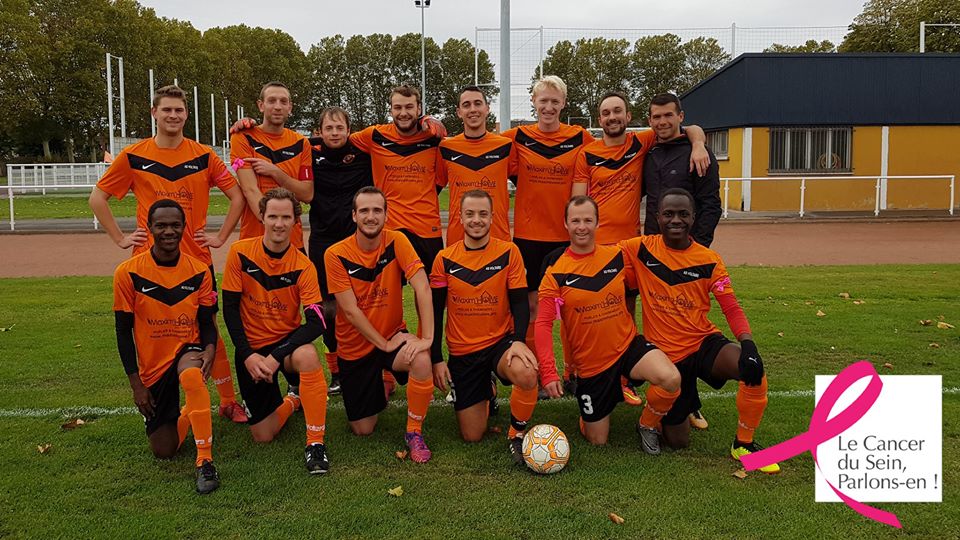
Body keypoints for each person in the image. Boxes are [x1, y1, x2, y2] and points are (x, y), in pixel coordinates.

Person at [91, 84, 249, 424]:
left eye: (179, 110)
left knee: (209, 328)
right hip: (147, 263)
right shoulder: (134, 155)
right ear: (154, 113)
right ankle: (158, 398)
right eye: (167, 110)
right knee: (153, 330)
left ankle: (227, 401)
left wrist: (220, 236)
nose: (173, 115)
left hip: (196, 261)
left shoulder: (203, 155)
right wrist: (120, 238)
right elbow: (97, 198)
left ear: (186, 115)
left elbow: (237, 196)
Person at [619, 188, 779, 473]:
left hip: (702, 343)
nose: (675, 220)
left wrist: (748, 344)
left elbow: (730, 307)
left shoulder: (709, 259)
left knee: (753, 370)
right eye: (668, 214)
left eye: (683, 214)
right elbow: (597, 255)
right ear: (657, 217)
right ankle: (650, 419)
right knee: (678, 442)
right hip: (666, 357)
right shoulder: (639, 248)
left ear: (693, 218)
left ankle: (743, 443)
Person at [572, 90, 709, 406]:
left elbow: (686, 127)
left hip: (630, 249)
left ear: (629, 115)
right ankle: (581, 372)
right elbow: (578, 202)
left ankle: (624, 377)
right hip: (596, 248)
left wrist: (699, 144)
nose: (612, 117)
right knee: (587, 314)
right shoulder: (587, 154)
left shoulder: (641, 141)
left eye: (617, 111)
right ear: (599, 118)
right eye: (606, 113)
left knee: (625, 315)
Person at [535, 196, 681, 454]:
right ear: (566, 224)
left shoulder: (617, 255)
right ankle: (590, 411)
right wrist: (548, 372)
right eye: (576, 220)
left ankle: (647, 425)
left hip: (627, 347)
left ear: (597, 223)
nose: (582, 226)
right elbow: (543, 324)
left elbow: (657, 252)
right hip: (592, 365)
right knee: (598, 441)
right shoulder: (555, 273)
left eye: (588, 220)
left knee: (670, 378)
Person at [112, 199, 221, 494]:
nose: (169, 231)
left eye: (175, 225)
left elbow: (208, 321)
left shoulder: (199, 270)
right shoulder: (128, 272)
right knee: (164, 450)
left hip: (188, 349)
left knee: (190, 374)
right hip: (153, 366)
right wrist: (136, 385)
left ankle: (205, 461)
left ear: (184, 228)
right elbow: (123, 331)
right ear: (150, 228)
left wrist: (209, 349)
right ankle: (188, 413)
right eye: (161, 225)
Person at [221, 188, 331, 474]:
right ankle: (294, 399)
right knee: (263, 435)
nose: (279, 224)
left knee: (307, 356)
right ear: (262, 217)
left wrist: (276, 356)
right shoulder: (240, 253)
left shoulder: (303, 266)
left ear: (296, 221)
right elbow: (230, 310)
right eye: (273, 216)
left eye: (285, 217)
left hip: (286, 349)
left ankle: (315, 443)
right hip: (252, 352)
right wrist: (247, 355)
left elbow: (317, 322)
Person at [324, 186, 437, 463]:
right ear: (354, 216)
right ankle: (378, 384)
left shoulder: (396, 240)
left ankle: (414, 432)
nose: (371, 216)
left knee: (421, 359)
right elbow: (350, 311)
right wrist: (383, 343)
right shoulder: (335, 254)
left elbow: (422, 286)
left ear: (386, 215)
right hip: (355, 347)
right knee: (363, 430)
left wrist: (428, 339)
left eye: (377, 210)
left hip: (392, 337)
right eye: (364, 210)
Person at [429, 190, 539, 465]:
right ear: (460, 217)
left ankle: (516, 432)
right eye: (470, 214)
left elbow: (520, 303)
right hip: (463, 353)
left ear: (492, 217)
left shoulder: (509, 252)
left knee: (526, 373)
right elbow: (434, 312)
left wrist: (518, 340)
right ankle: (487, 390)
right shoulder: (444, 259)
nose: (476, 220)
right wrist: (436, 358)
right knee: (472, 436)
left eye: (482, 214)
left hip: (499, 344)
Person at [307, 106, 374, 396]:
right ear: (319, 131)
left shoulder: (363, 153)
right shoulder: (307, 151)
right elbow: (276, 140)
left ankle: (375, 366)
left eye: (340, 128)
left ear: (349, 130)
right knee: (328, 309)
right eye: (329, 128)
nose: (335, 133)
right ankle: (335, 369)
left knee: (363, 305)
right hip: (322, 241)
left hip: (355, 242)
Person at [349, 85, 445, 272]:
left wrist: (431, 120)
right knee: (385, 292)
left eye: (409, 107)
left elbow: (440, 182)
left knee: (432, 293)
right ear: (391, 109)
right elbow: (338, 141)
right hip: (388, 228)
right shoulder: (374, 136)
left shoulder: (435, 140)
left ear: (419, 109)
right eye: (398, 107)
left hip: (426, 228)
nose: (403, 113)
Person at [230, 81, 313, 251]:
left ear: (290, 107)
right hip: (254, 242)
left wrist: (276, 173)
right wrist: (276, 225)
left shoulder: (301, 143)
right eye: (271, 101)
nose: (277, 107)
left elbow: (307, 194)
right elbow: (250, 190)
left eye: (283, 102)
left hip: (292, 243)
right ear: (261, 105)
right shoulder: (242, 138)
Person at [436, 87, 513, 244]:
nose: (473, 109)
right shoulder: (446, 148)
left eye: (478, 103)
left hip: (498, 239)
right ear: (459, 112)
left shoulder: (506, 146)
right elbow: (431, 191)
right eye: (466, 105)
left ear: (487, 108)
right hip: (458, 240)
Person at [643, 93, 721, 247]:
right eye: (657, 117)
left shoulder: (698, 154)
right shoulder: (648, 154)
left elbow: (711, 205)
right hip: (653, 248)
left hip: (686, 247)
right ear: (650, 120)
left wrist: (698, 246)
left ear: (681, 116)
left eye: (668, 115)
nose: (663, 122)